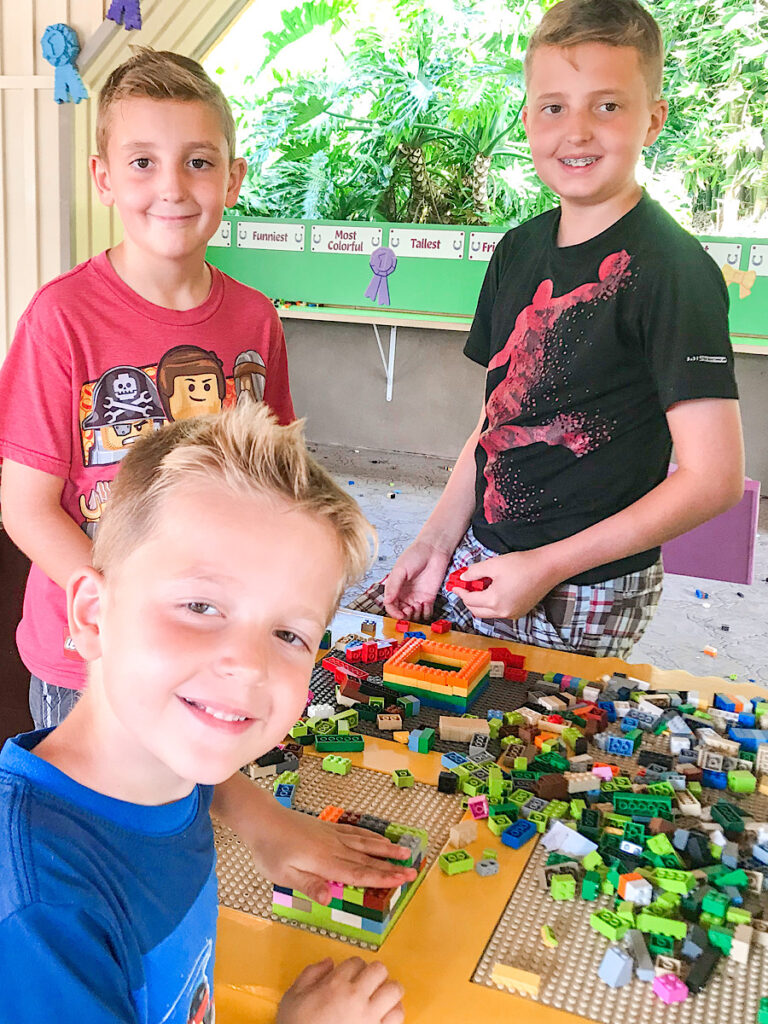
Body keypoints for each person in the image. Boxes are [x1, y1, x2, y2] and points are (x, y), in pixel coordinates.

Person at [353, 0, 744, 659]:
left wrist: (546, 567)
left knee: (509, 746)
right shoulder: (517, 251)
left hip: (586, 584)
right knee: (363, 677)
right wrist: (432, 542)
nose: (578, 131)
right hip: (485, 549)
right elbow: (497, 420)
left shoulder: (673, 271)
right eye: (554, 106)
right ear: (529, 117)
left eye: (608, 106)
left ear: (653, 119)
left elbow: (714, 480)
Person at [0, 405, 409, 1023]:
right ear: (90, 615)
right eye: (200, 604)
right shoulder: (39, 915)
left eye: (290, 634)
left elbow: (199, 789)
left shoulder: (165, 769)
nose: (248, 664)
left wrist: (265, 821)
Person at [0, 49, 293, 729]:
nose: (173, 187)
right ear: (103, 178)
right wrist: (125, 607)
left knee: (188, 818)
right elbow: (27, 510)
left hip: (210, 648)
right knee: (93, 829)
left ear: (233, 178)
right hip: (92, 657)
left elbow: (275, 479)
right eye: (142, 162)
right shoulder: (59, 320)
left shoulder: (256, 319)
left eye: (198, 161)